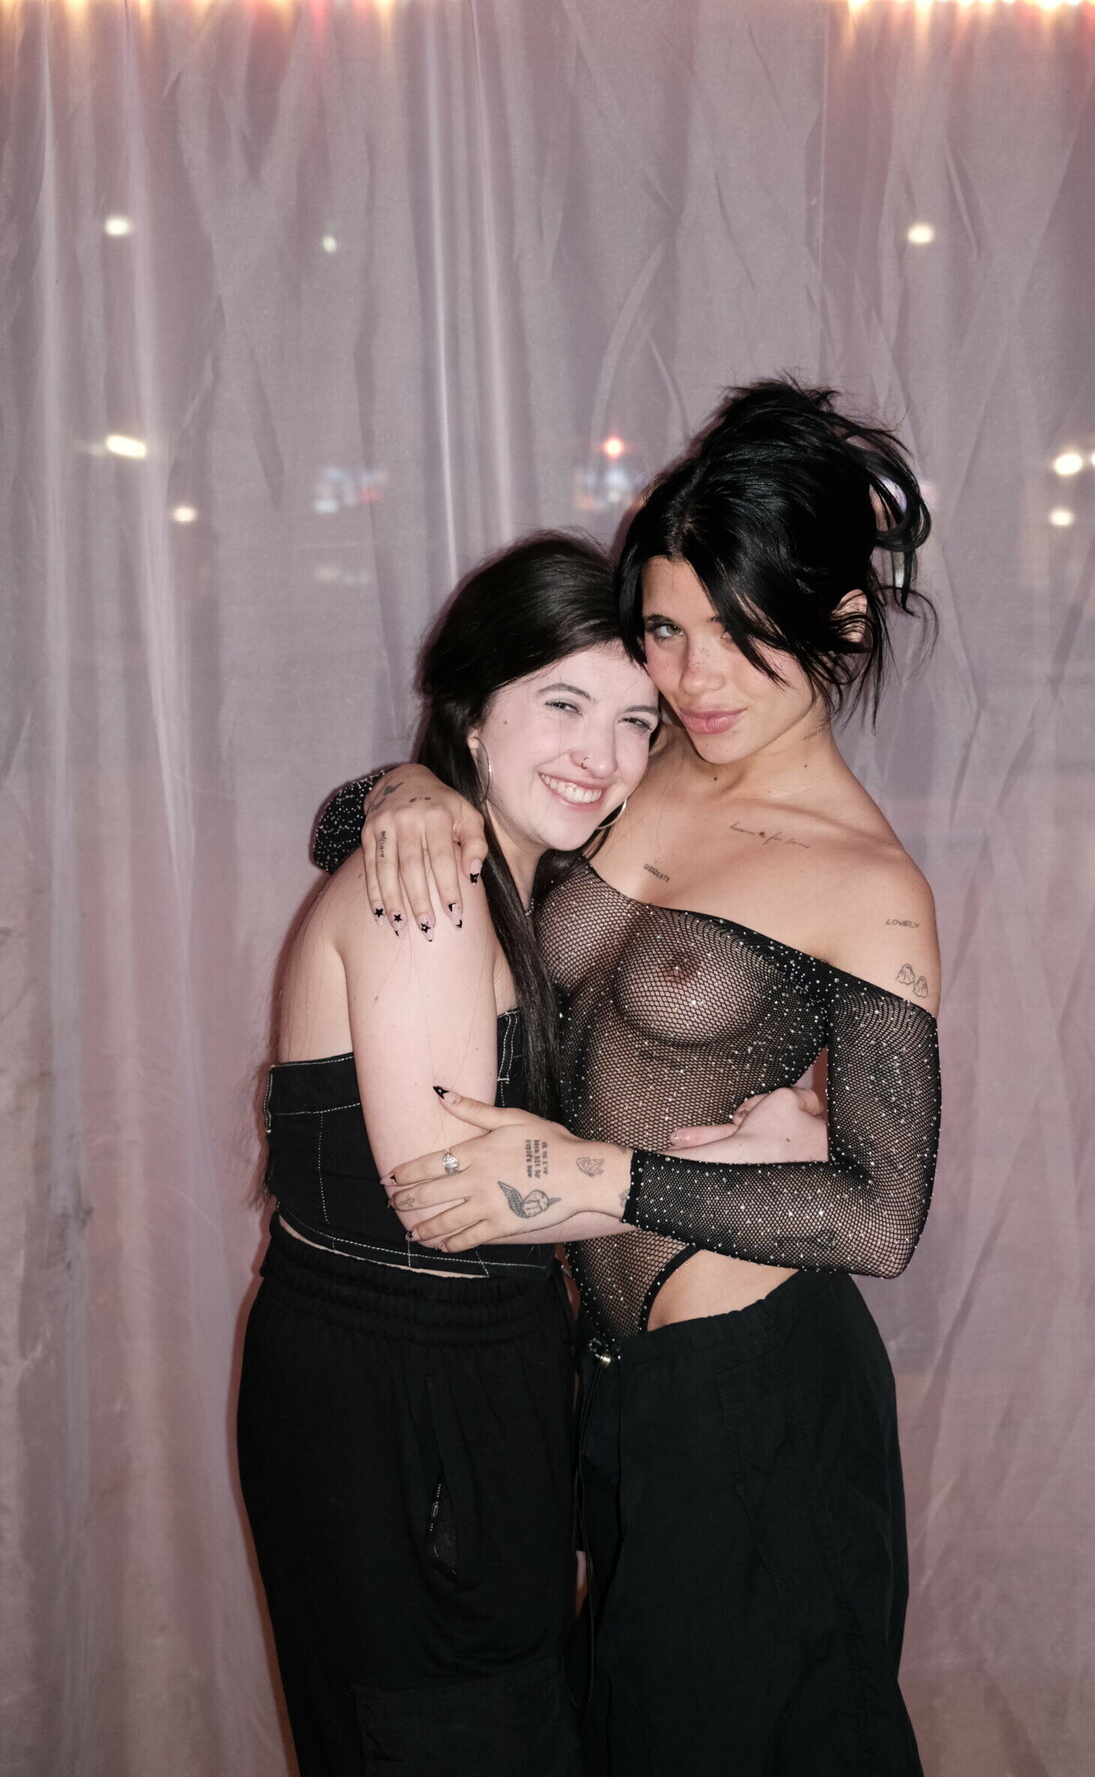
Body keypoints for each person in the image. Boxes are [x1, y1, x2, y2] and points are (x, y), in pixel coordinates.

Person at [313, 379, 943, 1775]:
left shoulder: (866, 881)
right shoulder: (642, 760)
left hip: (754, 1400)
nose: (694, 678)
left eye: (743, 634)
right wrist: (399, 791)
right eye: (668, 629)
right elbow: (466, 812)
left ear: (842, 625)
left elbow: (882, 1213)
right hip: (607, 1381)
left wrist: (603, 1178)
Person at [237, 534, 667, 1777]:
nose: (601, 755)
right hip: (398, 1399)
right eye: (563, 704)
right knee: (440, 1735)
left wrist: (395, 785)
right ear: (475, 713)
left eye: (635, 722)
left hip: (446, 1380)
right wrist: (745, 1190)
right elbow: (445, 1201)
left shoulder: (501, 873)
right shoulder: (429, 893)